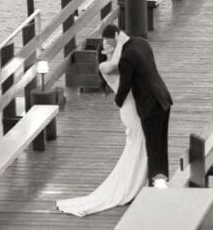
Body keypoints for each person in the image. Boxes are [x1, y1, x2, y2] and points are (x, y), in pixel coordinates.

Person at [56, 29, 148, 216]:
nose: (109, 44)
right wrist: (122, 39)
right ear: (101, 52)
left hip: (134, 106)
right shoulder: (105, 66)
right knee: (139, 143)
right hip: (130, 110)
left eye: (110, 43)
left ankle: (136, 182)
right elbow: (116, 62)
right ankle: (133, 185)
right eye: (105, 45)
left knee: (139, 145)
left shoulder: (119, 61)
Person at [104, 23, 172, 186]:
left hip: (149, 103)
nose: (107, 44)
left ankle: (155, 183)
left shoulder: (126, 55)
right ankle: (162, 177)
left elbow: (125, 84)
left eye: (107, 40)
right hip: (163, 96)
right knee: (161, 142)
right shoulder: (142, 42)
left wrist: (118, 101)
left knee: (153, 145)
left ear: (115, 37)